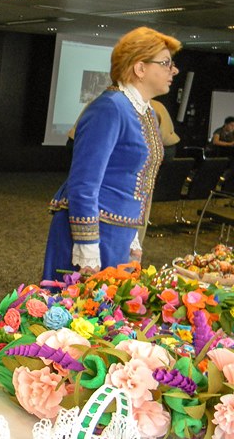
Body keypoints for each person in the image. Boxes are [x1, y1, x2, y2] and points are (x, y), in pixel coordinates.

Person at [43, 26, 180, 280]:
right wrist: (87, 244)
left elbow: (136, 181)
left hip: (119, 232)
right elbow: (83, 182)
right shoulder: (110, 107)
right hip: (92, 230)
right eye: (165, 63)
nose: (173, 70)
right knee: (77, 302)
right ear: (140, 68)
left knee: (112, 303)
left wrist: (133, 237)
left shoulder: (147, 112)